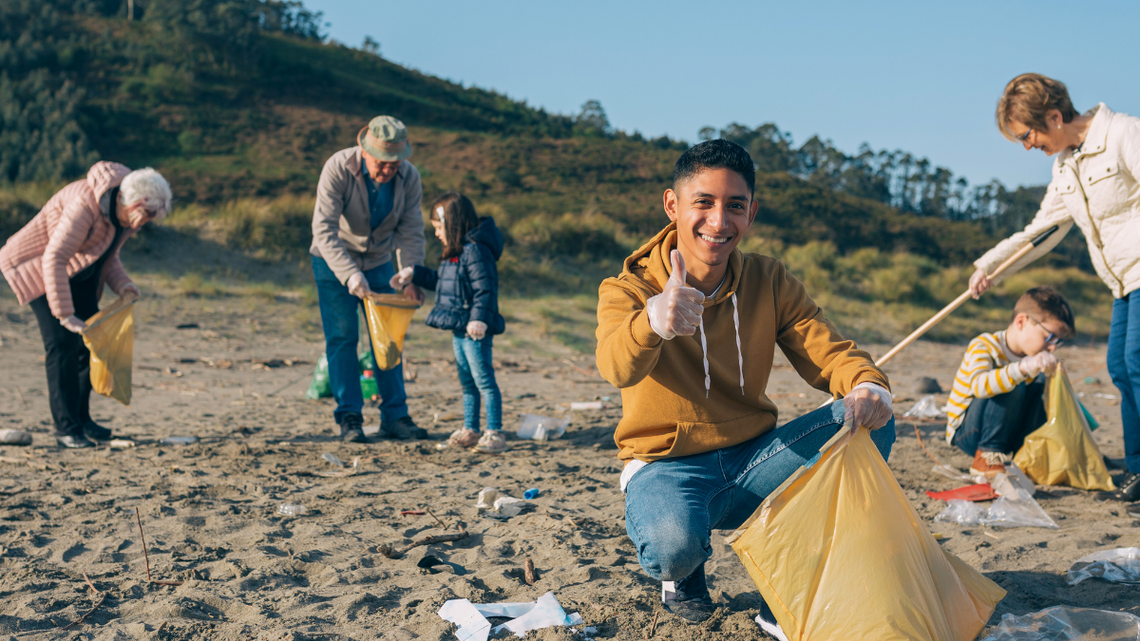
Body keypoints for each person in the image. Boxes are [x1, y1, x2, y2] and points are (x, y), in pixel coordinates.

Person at [595, 140, 895, 626]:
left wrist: (866, 383)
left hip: (756, 459)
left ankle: (788, 590)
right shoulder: (629, 287)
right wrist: (652, 320)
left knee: (868, 420)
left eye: (735, 206)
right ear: (672, 205)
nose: (719, 221)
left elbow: (826, 349)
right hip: (667, 466)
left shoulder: (768, 279)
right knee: (673, 547)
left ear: (751, 212)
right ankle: (684, 572)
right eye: (703, 203)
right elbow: (615, 367)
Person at [969, 73, 1140, 503]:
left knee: (1136, 361)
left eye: (1026, 135)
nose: (1027, 146)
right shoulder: (1064, 166)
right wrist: (989, 268)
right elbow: (1040, 233)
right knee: (1120, 367)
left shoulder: (1124, 133)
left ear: (1054, 117)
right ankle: (1137, 468)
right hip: (1121, 282)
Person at [0, 162, 171, 448]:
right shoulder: (85, 205)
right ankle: (66, 428)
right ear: (127, 200)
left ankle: (82, 419)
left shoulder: (122, 214)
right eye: (145, 215)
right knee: (62, 345)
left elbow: (105, 254)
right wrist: (65, 314)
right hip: (37, 267)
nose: (143, 224)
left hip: (74, 271)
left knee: (91, 343)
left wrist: (123, 285)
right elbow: (54, 258)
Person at [311, 115, 427, 443]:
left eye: (395, 163)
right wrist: (349, 274)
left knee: (388, 341)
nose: (388, 170)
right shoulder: (337, 167)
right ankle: (350, 417)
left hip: (379, 262)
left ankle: (395, 416)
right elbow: (323, 229)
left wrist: (411, 275)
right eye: (381, 163)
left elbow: (411, 230)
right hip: (332, 261)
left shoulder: (409, 177)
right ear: (365, 151)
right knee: (343, 338)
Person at [390, 192, 507, 453]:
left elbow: (485, 289)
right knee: (467, 382)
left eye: (439, 227)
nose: (436, 234)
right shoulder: (454, 253)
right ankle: (471, 429)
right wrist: (414, 274)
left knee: (484, 381)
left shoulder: (476, 251)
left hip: (475, 331)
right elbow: (444, 284)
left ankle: (494, 432)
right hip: (459, 330)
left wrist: (479, 319)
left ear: (452, 224)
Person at [945, 288, 1074, 476]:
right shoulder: (984, 345)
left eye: (1058, 341)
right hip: (969, 433)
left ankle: (1027, 454)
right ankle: (986, 456)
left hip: (1007, 433)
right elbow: (980, 386)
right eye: (1049, 337)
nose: (1052, 347)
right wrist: (1022, 368)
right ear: (1021, 322)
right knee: (1012, 381)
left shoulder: (1033, 358)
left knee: (1041, 383)